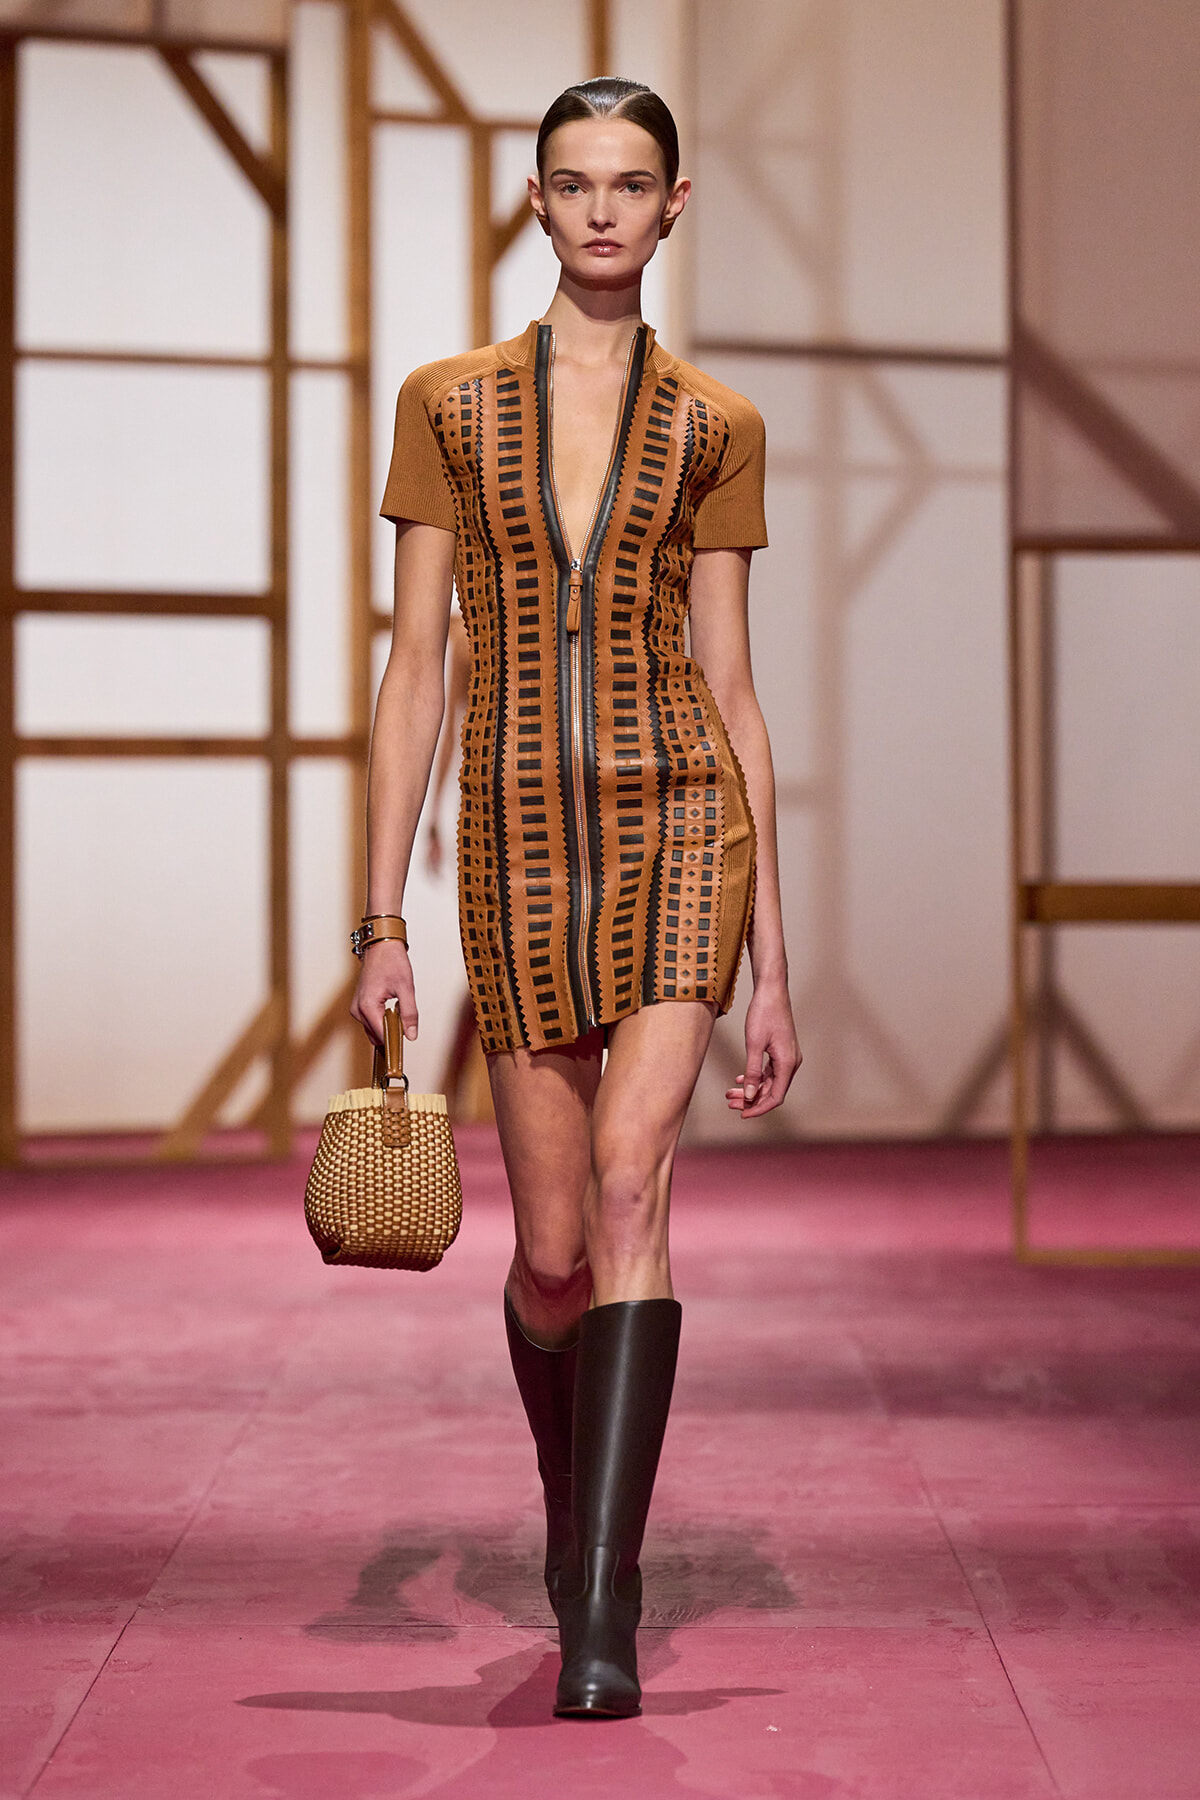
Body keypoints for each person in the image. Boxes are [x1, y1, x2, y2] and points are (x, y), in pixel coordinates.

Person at [352, 76, 800, 1720]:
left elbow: (736, 693)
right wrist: (381, 919)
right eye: (573, 182)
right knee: (548, 1256)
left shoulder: (718, 426)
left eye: (633, 182)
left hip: (685, 827)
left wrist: (779, 966)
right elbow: (417, 673)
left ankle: (603, 1598)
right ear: (534, 205)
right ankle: (570, 1514)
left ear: (676, 206)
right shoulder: (450, 406)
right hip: (520, 846)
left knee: (630, 1191)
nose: (603, 208)